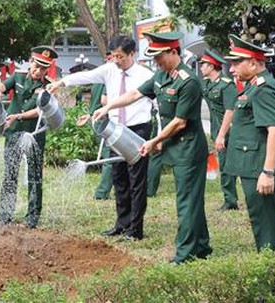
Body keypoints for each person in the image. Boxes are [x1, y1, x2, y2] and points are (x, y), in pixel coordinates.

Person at [91, 31, 212, 263]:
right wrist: (108, 107)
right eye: (154, 57)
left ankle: (185, 252)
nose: (156, 62)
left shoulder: (188, 81)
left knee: (187, 200)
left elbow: (180, 121)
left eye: (159, 57)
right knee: (190, 198)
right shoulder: (161, 76)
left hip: (188, 148)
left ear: (173, 52)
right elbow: (135, 93)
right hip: (174, 147)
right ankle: (202, 246)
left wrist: (154, 141)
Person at [50, 35, 153, 240]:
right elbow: (86, 76)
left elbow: (154, 103)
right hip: (114, 129)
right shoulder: (109, 70)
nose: (116, 60)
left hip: (137, 129)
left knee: (136, 180)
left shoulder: (145, 75)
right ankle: (121, 224)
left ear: (132, 54)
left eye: (121, 57)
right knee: (119, 177)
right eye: (113, 56)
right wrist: (61, 82)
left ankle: (135, 229)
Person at [223, 34, 275, 251]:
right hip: (252, 166)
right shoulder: (252, 86)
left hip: (260, 167)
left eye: (236, 63)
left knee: (267, 227)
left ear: (253, 62)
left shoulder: (264, 88)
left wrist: (268, 171)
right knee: (261, 222)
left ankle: (274, 277)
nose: (232, 69)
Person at [0, 46, 58, 229]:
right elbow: (2, 86)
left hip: (35, 134)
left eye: (43, 68)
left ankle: (32, 217)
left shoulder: (48, 86)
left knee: (34, 175)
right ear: (31, 62)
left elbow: (40, 110)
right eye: (36, 66)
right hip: (14, 132)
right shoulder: (19, 77)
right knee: (10, 173)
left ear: (48, 68)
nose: (38, 71)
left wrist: (19, 116)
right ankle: (5, 214)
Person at [199, 48, 240, 211]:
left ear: (211, 66)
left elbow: (230, 111)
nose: (201, 68)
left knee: (227, 165)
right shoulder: (208, 84)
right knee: (224, 164)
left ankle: (230, 201)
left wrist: (222, 135)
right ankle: (230, 198)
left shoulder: (226, 85)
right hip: (217, 129)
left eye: (203, 65)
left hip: (229, 130)